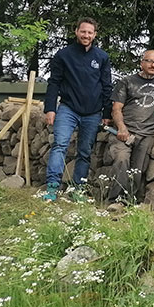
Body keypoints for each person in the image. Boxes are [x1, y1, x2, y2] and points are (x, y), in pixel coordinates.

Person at [42, 18, 112, 202]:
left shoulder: (102, 57)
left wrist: (106, 113)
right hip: (68, 109)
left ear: (95, 35)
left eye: (90, 32)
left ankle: (78, 189)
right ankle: (52, 188)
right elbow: (54, 82)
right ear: (76, 32)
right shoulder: (63, 55)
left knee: (84, 152)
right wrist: (50, 108)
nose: (86, 35)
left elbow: (107, 87)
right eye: (83, 32)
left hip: (93, 112)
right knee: (60, 145)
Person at [106, 50, 154, 204]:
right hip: (124, 131)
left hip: (147, 134)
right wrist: (121, 127)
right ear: (142, 62)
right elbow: (116, 108)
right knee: (121, 159)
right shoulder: (127, 81)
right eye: (149, 61)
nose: (153, 65)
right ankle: (115, 201)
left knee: (139, 169)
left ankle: (130, 201)